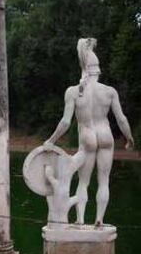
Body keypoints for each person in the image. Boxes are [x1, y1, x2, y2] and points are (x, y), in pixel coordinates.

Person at [44, 38, 134, 226]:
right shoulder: (109, 91)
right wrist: (129, 138)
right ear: (98, 69)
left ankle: (80, 219)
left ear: (83, 67)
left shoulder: (73, 92)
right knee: (103, 181)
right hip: (105, 135)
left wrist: (51, 140)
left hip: (87, 136)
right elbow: (122, 119)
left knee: (83, 182)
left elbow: (65, 122)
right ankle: (99, 218)